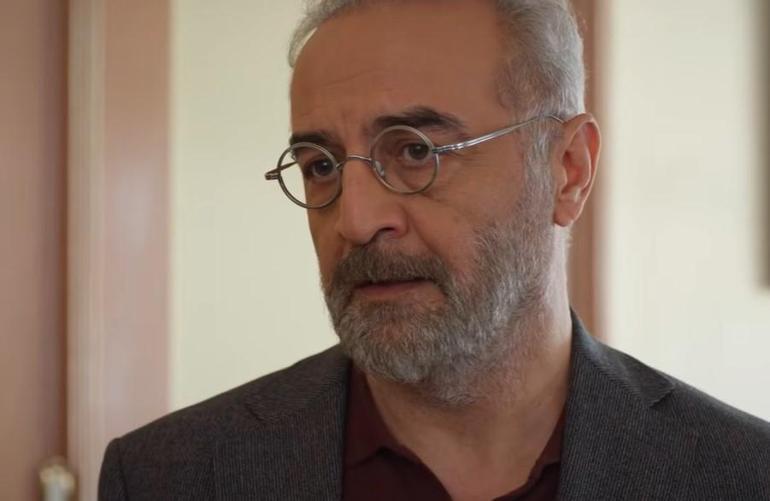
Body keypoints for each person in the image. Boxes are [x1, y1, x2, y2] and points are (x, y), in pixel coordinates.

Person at [99, 0, 770, 499]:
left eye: (416, 152)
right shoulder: (173, 476)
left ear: (567, 170)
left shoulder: (739, 475)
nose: (356, 219)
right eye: (321, 165)